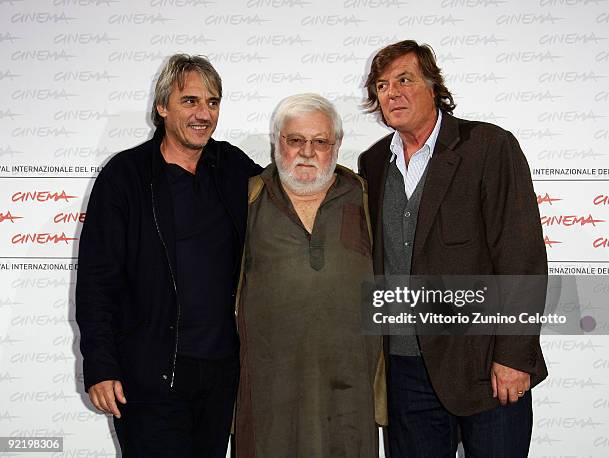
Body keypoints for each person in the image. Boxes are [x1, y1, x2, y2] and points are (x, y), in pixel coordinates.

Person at [358, 40, 548, 457]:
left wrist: (514, 355)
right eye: (383, 85)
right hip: (404, 373)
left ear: (433, 86)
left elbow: (522, 255)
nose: (392, 93)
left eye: (404, 80)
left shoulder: (488, 147)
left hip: (485, 369)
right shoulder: (372, 163)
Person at [76, 54, 262, 457]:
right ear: (162, 107)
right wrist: (101, 366)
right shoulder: (125, 176)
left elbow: (287, 208)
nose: (204, 114)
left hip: (221, 373)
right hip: (148, 375)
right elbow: (97, 280)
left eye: (212, 102)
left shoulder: (233, 167)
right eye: (190, 101)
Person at [234, 93, 386, 458]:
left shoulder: (366, 196)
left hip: (351, 397)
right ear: (276, 142)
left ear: (337, 146)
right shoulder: (246, 199)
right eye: (295, 140)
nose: (307, 152)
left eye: (320, 142)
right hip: (268, 397)